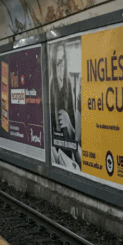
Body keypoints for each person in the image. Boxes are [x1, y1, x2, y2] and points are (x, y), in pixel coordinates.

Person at [49, 42, 80, 171]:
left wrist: (68, 123)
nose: (60, 66)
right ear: (53, 65)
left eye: (63, 60)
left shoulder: (70, 85)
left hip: (68, 154)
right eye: (57, 62)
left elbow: (76, 137)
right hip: (55, 154)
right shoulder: (51, 87)